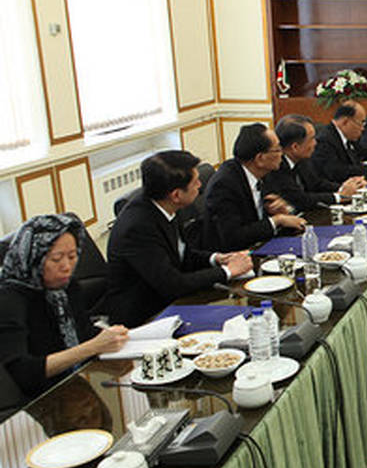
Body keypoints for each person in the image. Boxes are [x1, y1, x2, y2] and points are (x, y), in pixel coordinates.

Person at [106, 151, 254, 327]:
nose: (200, 185)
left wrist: (216, 259)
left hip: (172, 301)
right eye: (195, 182)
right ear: (176, 195)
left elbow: (182, 254)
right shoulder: (137, 227)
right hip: (146, 319)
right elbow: (172, 284)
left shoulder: (164, 205)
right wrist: (228, 271)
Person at [0, 214, 128, 401]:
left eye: (73, 256)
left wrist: (112, 337)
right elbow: (24, 372)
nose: (67, 266)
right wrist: (93, 346)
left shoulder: (66, 286)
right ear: (33, 257)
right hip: (40, 400)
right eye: (56, 259)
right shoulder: (9, 300)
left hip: (78, 383)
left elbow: (84, 333)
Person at [201, 123, 307, 251]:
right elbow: (233, 236)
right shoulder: (224, 185)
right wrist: (276, 220)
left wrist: (281, 210)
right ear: (260, 158)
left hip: (261, 245)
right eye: (278, 149)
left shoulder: (264, 173)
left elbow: (267, 212)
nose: (282, 154)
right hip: (233, 255)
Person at [265, 115, 366, 212]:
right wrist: (339, 196)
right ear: (295, 147)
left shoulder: (301, 159)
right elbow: (301, 199)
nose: (315, 143)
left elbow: (317, 184)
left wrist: (347, 187)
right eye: (311, 139)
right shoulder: (276, 167)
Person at [313, 101, 367, 182]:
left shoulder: (348, 137)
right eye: (360, 124)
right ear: (345, 122)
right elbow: (336, 171)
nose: (362, 129)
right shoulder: (325, 140)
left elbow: (366, 151)